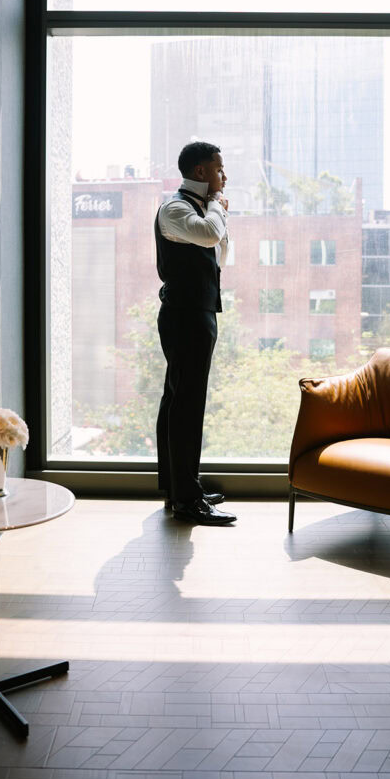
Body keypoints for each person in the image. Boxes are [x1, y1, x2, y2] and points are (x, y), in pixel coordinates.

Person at [154, 141, 237, 525]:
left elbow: (220, 256)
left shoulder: (201, 209)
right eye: (219, 169)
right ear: (201, 172)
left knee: (178, 401)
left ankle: (180, 488)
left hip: (198, 312)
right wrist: (217, 209)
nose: (224, 176)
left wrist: (218, 214)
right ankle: (187, 500)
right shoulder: (174, 208)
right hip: (185, 315)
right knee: (187, 405)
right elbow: (206, 237)